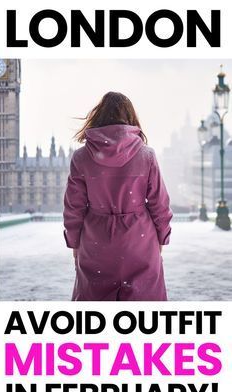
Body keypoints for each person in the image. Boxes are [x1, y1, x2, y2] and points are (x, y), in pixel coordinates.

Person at [63, 91, 173, 301]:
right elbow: (160, 203)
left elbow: (73, 208)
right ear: (130, 118)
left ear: (98, 117)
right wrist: (161, 238)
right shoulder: (146, 156)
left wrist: (75, 243)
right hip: (140, 241)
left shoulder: (81, 157)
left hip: (96, 241)